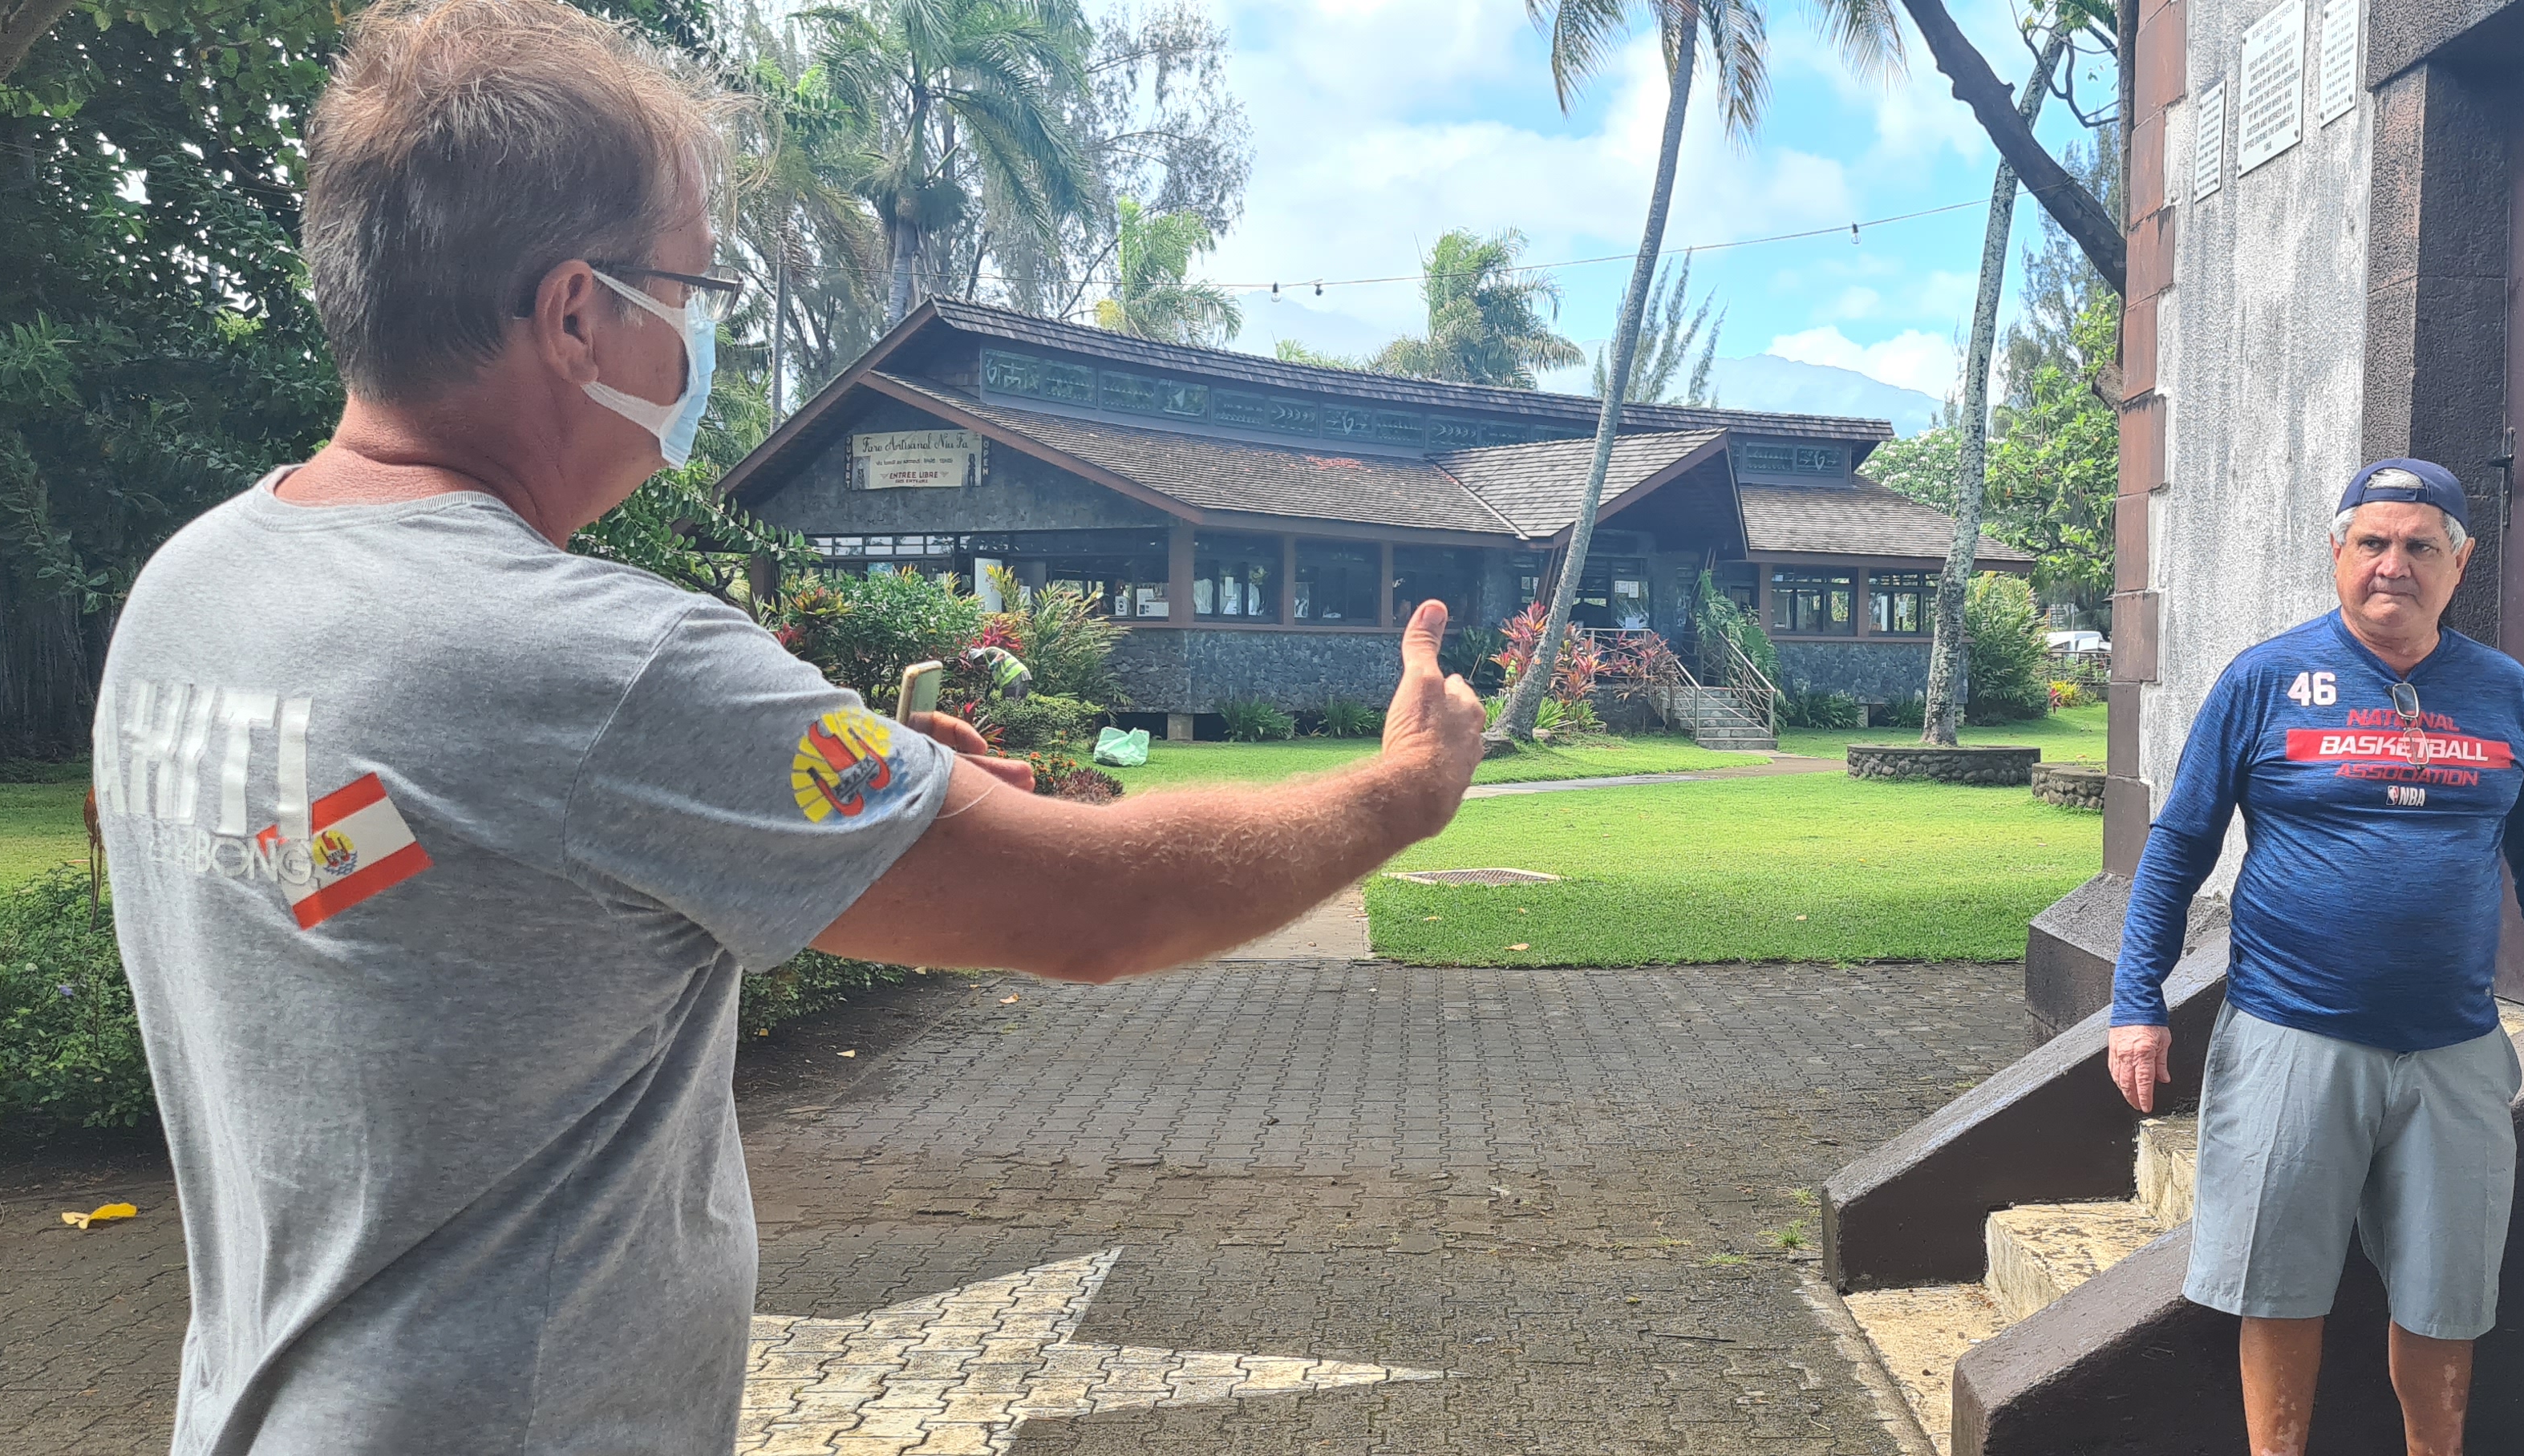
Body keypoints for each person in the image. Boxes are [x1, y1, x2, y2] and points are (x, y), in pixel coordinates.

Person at [87, 2, 1486, 1451]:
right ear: (576, 315)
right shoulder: (605, 663)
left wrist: (837, 800)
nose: (699, 334)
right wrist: (1402, 788)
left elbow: (378, 874)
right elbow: (1095, 908)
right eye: (691, 286)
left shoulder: (195, 587)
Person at [2103, 459, 2524, 1456]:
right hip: (2291, 1036)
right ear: (2338, 553)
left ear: (2459, 563)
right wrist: (2137, 1003)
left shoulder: (2503, 692)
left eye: (2420, 546)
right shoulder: (2265, 680)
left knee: (2447, 1298)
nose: (2394, 565)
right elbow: (2177, 848)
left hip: (2454, 1051)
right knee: (2278, 1288)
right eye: (2374, 543)